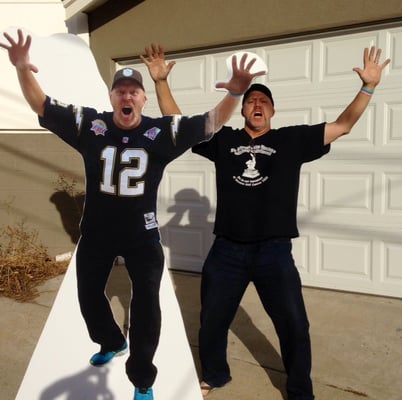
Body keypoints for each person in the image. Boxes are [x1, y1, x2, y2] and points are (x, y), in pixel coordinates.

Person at [0, 30, 266, 400]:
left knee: (146, 308)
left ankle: (142, 378)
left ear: (143, 98)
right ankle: (112, 341)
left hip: (142, 236)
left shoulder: (161, 132)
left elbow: (209, 123)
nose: (127, 96)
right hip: (97, 232)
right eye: (120, 91)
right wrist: (21, 69)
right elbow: (42, 106)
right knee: (87, 295)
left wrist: (235, 93)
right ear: (112, 98)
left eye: (133, 91)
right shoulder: (91, 125)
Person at [148, 45, 390, 399]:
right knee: (212, 320)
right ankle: (214, 374)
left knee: (294, 325)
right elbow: (179, 125)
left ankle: (299, 390)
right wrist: (160, 83)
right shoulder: (223, 139)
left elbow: (343, 126)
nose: (257, 105)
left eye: (263, 101)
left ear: (272, 110)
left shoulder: (291, 140)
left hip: (274, 252)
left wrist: (368, 87)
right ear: (243, 109)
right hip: (227, 250)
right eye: (251, 101)